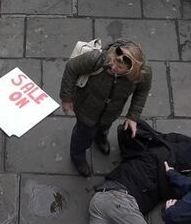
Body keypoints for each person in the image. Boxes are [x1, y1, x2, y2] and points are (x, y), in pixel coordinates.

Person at [59, 41, 151, 177]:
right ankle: (78, 157)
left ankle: (100, 138)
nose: (112, 67)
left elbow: (142, 91)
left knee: (104, 128)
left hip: (111, 112)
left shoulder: (143, 74)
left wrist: (133, 116)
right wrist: (66, 98)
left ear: (131, 70)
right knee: (82, 136)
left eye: (119, 67)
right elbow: (72, 68)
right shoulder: (96, 59)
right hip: (86, 109)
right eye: (113, 61)